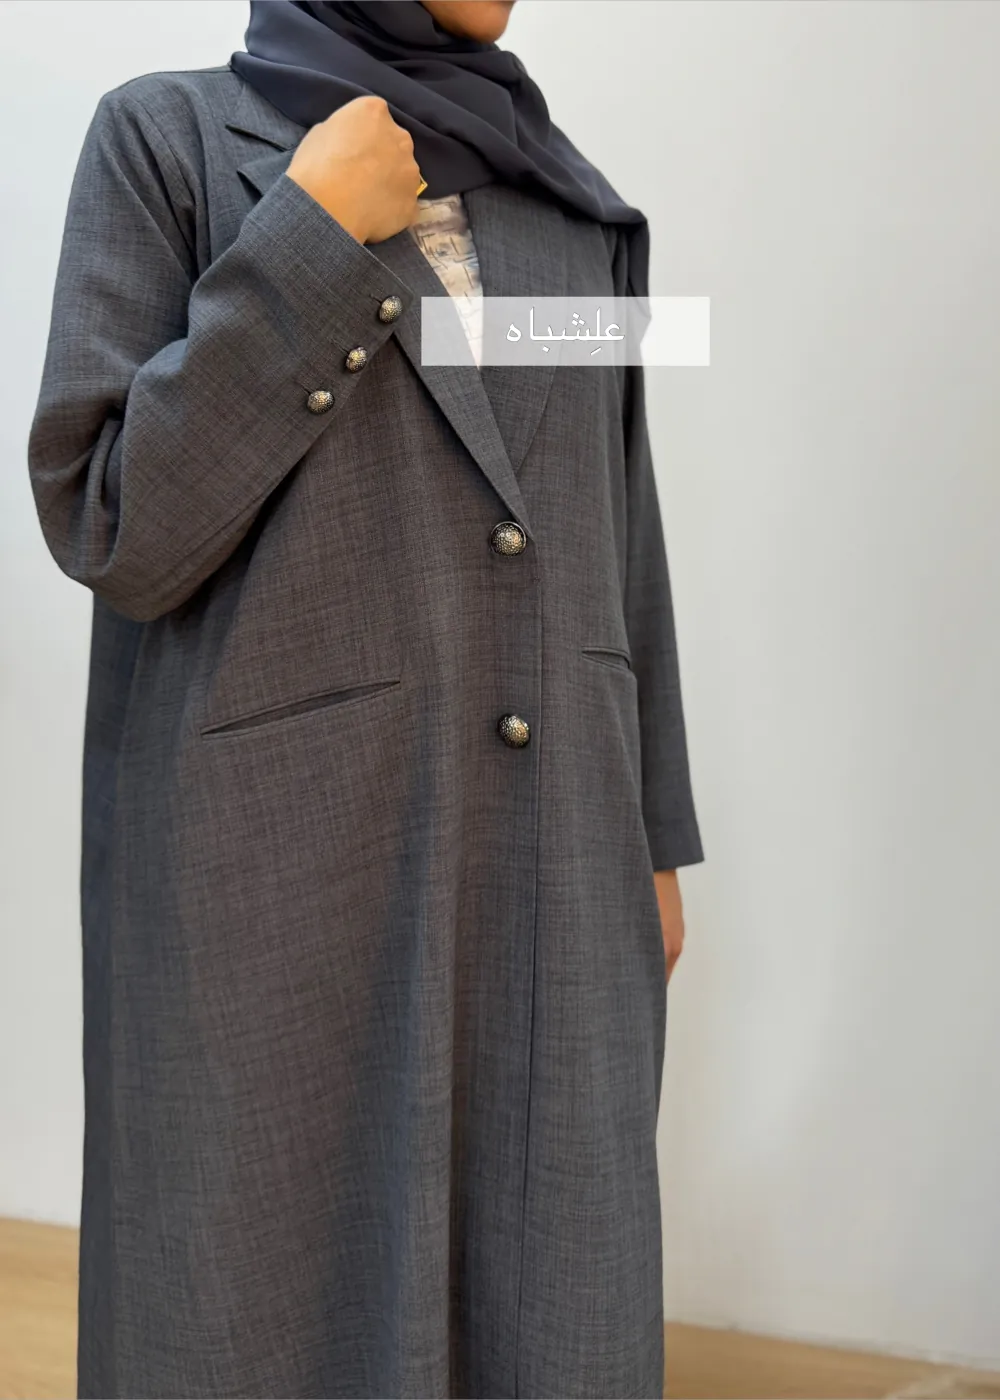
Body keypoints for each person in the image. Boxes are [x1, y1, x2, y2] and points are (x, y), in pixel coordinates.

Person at [27, 2, 704, 1396]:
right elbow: (116, 529)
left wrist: (653, 834)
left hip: (551, 848)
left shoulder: (566, 204)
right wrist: (311, 245)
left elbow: (615, 522)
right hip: (273, 865)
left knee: (549, 1278)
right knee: (264, 1293)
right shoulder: (169, 144)